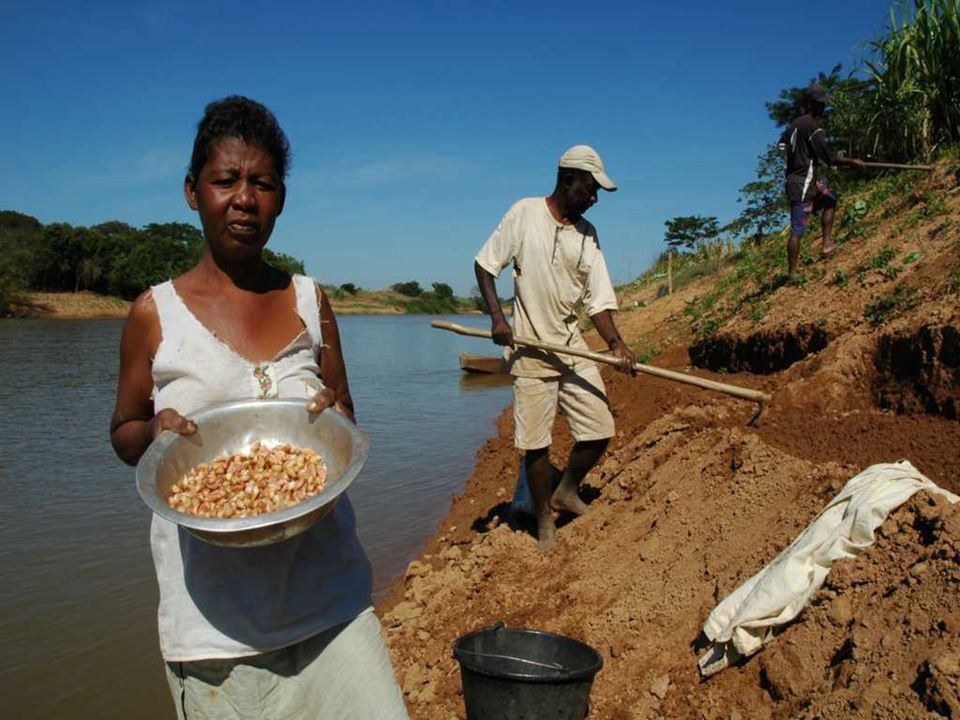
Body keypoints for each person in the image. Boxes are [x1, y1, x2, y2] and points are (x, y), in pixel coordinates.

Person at [109, 96, 408, 720]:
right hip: (215, 631)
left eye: (263, 183)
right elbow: (123, 433)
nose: (245, 198)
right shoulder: (153, 313)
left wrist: (331, 411)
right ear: (193, 192)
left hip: (331, 604)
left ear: (281, 199)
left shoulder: (308, 299)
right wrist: (156, 430)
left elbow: (346, 416)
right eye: (226, 180)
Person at [473, 145, 635, 551]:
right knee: (536, 443)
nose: (595, 197)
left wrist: (616, 343)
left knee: (600, 430)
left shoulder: (588, 235)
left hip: (572, 348)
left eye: (598, 191)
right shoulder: (524, 214)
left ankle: (566, 491)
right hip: (530, 351)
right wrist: (498, 318)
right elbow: (485, 265)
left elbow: (598, 301)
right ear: (568, 180)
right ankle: (544, 517)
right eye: (591, 188)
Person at [778, 84, 864, 282]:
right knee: (798, 229)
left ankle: (826, 245)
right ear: (809, 104)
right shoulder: (812, 126)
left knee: (830, 199)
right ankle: (791, 273)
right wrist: (853, 162)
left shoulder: (794, 124)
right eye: (818, 104)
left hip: (800, 180)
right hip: (802, 184)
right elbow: (830, 157)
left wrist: (793, 160)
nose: (822, 108)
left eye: (823, 104)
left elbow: (781, 145)